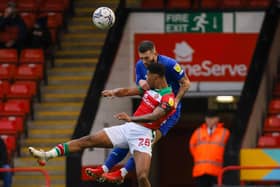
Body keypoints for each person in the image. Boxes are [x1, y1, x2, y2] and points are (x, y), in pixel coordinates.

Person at [29, 63, 176, 187]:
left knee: (142, 176)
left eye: (148, 75)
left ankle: (117, 173)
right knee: (87, 140)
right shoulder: (149, 88)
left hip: (144, 135)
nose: (145, 78)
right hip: (128, 129)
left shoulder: (168, 98)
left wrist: (131, 118)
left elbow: (155, 115)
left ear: (156, 77)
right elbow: (126, 91)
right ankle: (46, 155)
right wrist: (113, 92)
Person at [86, 40, 191, 183]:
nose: (144, 61)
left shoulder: (170, 64)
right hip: (150, 105)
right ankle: (106, 169)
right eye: (141, 58)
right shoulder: (140, 66)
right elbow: (142, 86)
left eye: (147, 58)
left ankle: (121, 173)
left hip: (168, 111)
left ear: (155, 53)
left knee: (146, 142)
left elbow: (186, 83)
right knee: (130, 135)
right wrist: (120, 91)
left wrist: (177, 100)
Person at [189, 110, 230, 187]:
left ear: (217, 119)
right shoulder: (198, 132)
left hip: (216, 172)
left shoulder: (225, 132)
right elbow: (192, 148)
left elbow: (228, 151)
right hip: (200, 171)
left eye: (212, 118)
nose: (210, 120)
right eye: (208, 118)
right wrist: (200, 158)